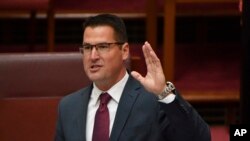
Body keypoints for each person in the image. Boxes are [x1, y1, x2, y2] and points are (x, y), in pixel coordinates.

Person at [54, 13, 211, 141]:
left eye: (103, 46)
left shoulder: (153, 100)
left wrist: (164, 92)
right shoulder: (68, 106)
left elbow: (200, 138)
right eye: (87, 48)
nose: (93, 56)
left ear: (124, 51)